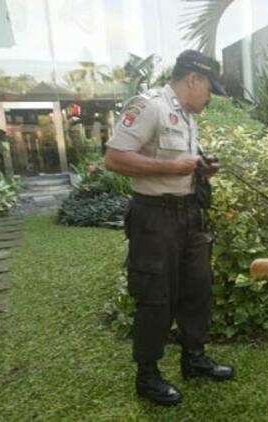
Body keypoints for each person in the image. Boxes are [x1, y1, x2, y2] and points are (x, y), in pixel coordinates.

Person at [104, 49, 234, 407]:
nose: (210, 97)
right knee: (156, 297)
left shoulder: (186, 114)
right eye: (210, 88)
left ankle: (193, 359)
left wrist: (198, 169)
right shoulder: (150, 106)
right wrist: (173, 168)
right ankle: (147, 376)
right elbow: (114, 158)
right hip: (155, 219)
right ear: (194, 79)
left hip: (189, 215)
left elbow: (178, 164)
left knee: (197, 290)